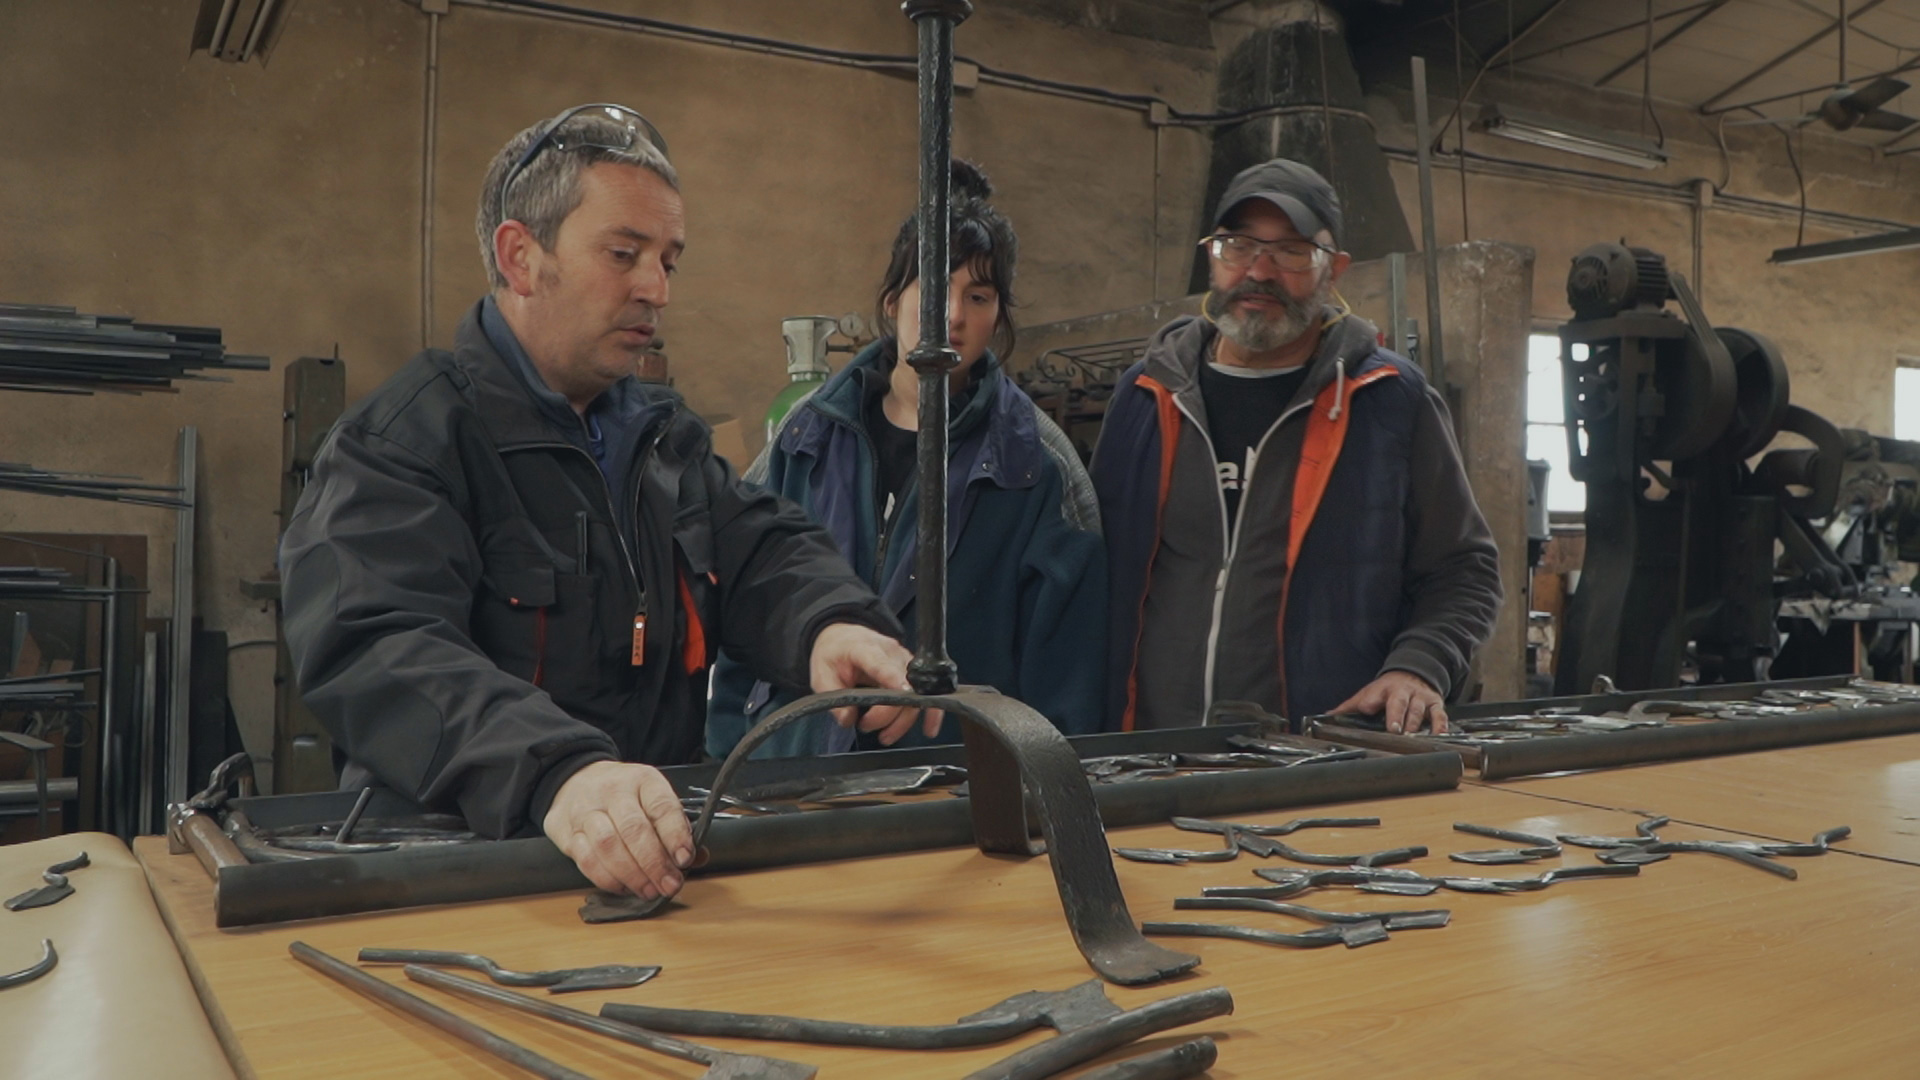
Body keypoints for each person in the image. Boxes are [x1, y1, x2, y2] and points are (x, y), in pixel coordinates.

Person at [280, 104, 927, 904]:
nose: (657, 290)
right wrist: (559, 773)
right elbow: (378, 646)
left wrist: (829, 624)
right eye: (624, 254)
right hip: (466, 884)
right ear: (521, 257)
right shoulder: (403, 444)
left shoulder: (662, 441)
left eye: (669, 262)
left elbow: (762, 551)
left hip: (651, 868)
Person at [707, 162, 1106, 757]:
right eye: (935, 290)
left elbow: (1069, 678)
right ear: (894, 301)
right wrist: (729, 752)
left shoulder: (1036, 464)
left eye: (978, 297)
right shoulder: (806, 435)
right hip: (795, 777)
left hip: (950, 786)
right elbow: (747, 593)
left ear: (998, 316)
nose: (954, 316)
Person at [1091, 158, 1501, 735]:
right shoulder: (1144, 394)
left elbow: (1463, 568)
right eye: (1238, 246)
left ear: (1334, 270)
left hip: (1318, 755)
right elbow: (1092, 571)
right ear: (1213, 256)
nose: (1259, 270)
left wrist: (1418, 666)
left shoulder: (1388, 399)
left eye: (1291, 251)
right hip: (1148, 750)